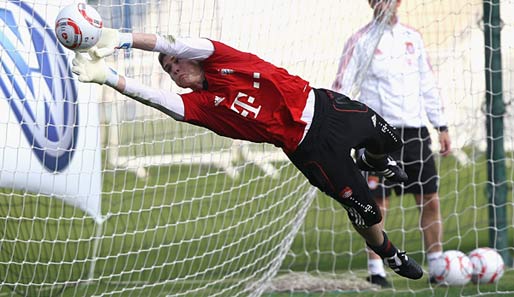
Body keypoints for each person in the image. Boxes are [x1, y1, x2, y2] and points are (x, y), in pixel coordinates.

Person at [71, 27, 424, 281]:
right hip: (309, 149)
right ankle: (390, 254)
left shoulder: (223, 57)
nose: (175, 68)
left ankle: (373, 162)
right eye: (168, 69)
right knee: (365, 211)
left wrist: (119, 38)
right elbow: (159, 100)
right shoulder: (200, 106)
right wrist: (107, 76)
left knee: (392, 141)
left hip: (328, 109)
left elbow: (169, 42)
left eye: (176, 61)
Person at [332, 0, 451, 287]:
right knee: (376, 204)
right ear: (371, 2)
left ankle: (438, 267)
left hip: (414, 133)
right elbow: (342, 87)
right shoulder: (359, 41)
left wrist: (441, 125)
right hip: (377, 136)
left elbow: (428, 83)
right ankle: (377, 270)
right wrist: (338, 129)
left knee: (429, 199)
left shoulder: (413, 38)